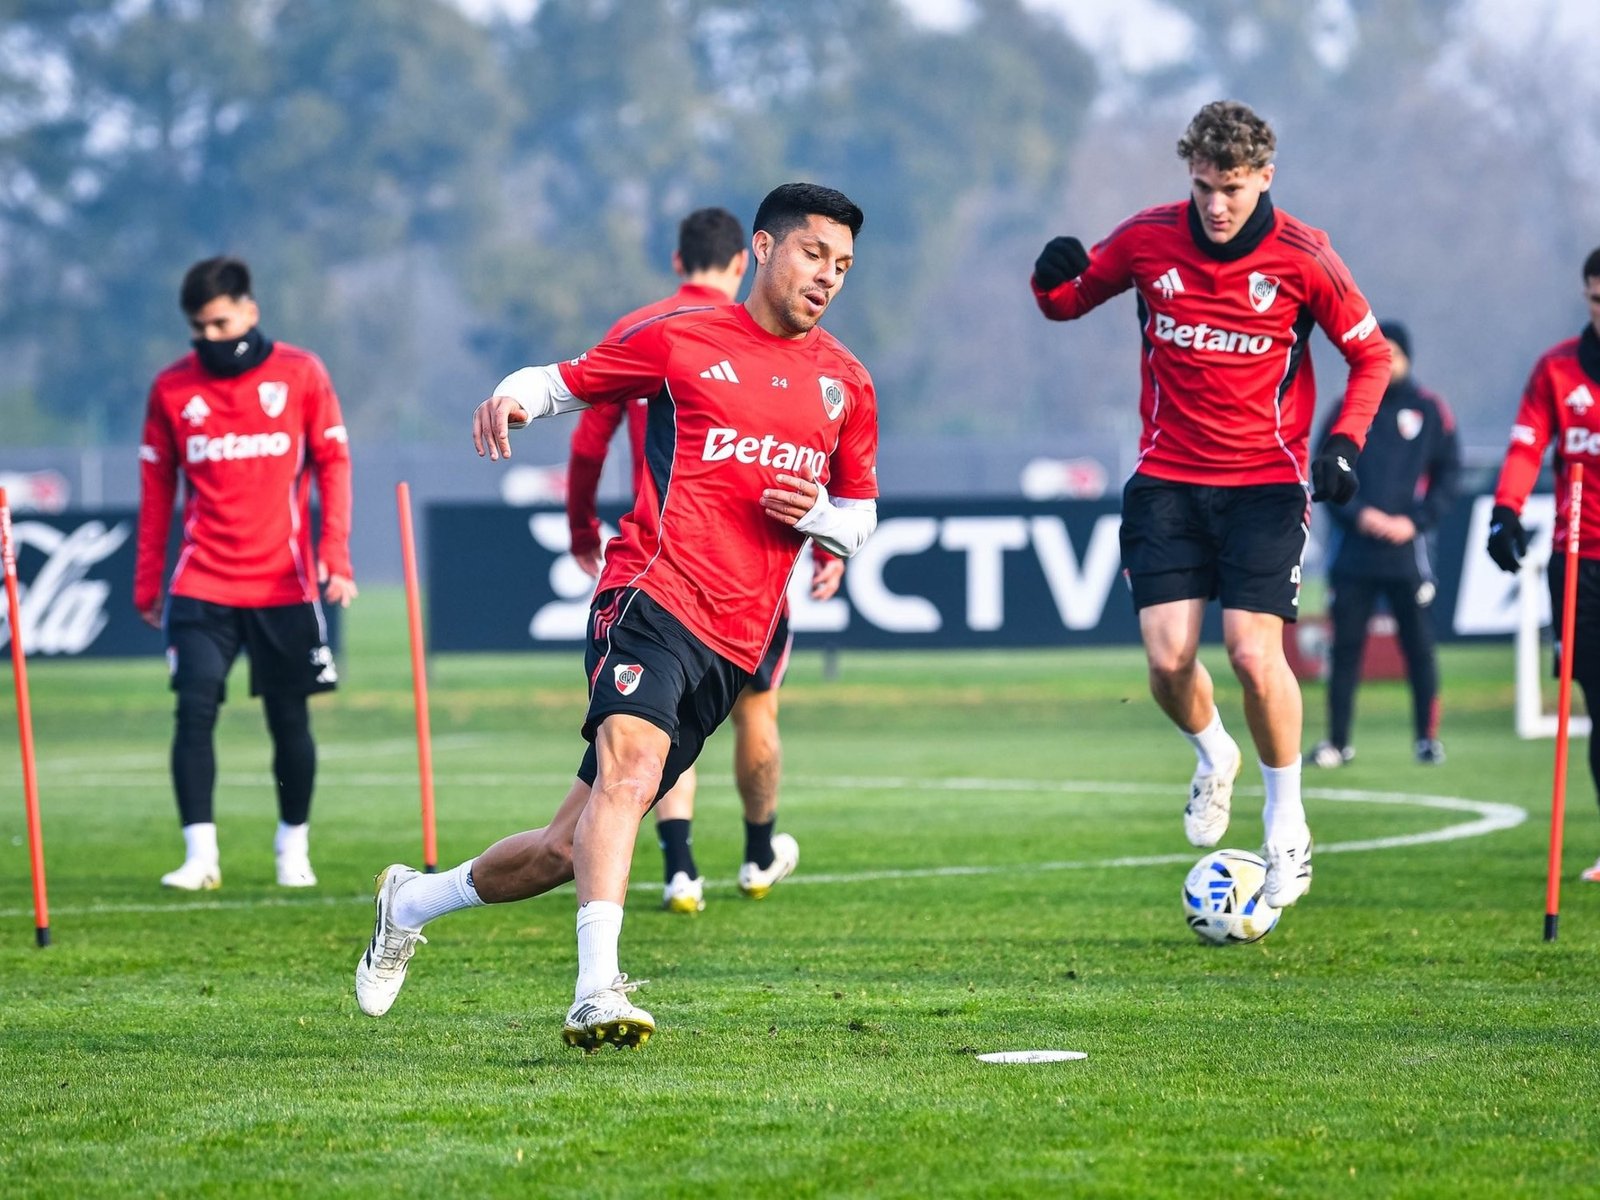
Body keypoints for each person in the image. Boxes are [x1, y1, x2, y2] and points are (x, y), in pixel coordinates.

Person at [356, 183, 878, 1050]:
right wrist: (514, 398)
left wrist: (818, 515)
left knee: (568, 848)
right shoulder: (682, 339)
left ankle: (410, 901)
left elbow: (859, 516)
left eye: (845, 266)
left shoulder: (847, 383)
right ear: (762, 247)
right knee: (633, 763)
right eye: (815, 254)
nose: (829, 276)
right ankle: (597, 990)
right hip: (650, 593)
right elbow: (567, 380)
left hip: (735, 639)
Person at [1031, 100, 1389, 908]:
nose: (1216, 205)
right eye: (1203, 187)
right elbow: (1068, 300)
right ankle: (1213, 754)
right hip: (1166, 481)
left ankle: (1287, 826)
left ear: (1264, 178)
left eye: (1231, 188)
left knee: (1257, 659)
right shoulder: (1149, 238)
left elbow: (1370, 357)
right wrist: (1048, 277)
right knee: (1167, 661)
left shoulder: (1306, 257)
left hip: (1265, 482)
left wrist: (1346, 443)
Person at [567, 207, 844, 914]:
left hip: (657, 552)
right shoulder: (746, 341)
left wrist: (579, 525)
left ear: (675, 259)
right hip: (729, 571)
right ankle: (757, 853)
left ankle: (680, 867)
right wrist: (825, 537)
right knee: (754, 711)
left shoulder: (642, 327)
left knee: (652, 726)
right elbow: (792, 464)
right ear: (741, 261)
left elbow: (591, 436)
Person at [134, 256, 356, 891]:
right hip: (201, 583)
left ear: (249, 312)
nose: (209, 337)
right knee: (193, 709)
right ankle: (200, 858)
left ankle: (293, 850)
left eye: (220, 322)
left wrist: (334, 552)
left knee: (288, 719)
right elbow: (156, 490)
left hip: (283, 583)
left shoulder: (301, 373)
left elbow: (335, 465)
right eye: (198, 327)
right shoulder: (171, 388)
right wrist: (147, 581)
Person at [1486, 246, 1600, 882]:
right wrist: (1505, 511)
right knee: (1599, 702)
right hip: (1581, 558)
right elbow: (1527, 446)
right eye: (1596, 301)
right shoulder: (1556, 371)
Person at [1307, 321, 1461, 769]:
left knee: (1419, 647)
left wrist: (1414, 522)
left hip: (1405, 553)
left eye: (1394, 353)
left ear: (1408, 357)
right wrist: (1359, 515)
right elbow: (1323, 471)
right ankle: (1337, 743)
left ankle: (1427, 739)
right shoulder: (1346, 408)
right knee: (1346, 651)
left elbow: (1449, 475)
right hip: (1352, 554)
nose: (1387, 362)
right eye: (1381, 352)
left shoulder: (1429, 410)